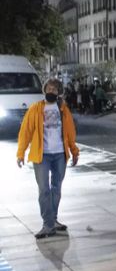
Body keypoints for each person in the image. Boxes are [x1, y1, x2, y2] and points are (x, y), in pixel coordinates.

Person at [16, 78, 80, 239]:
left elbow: (70, 132)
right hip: (41, 155)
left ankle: (53, 220)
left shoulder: (63, 109)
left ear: (59, 92)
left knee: (56, 188)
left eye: (55, 89)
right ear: (45, 90)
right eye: (49, 88)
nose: (52, 91)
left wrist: (74, 151)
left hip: (60, 154)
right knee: (44, 190)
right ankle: (48, 224)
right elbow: (25, 132)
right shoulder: (36, 109)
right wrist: (20, 153)